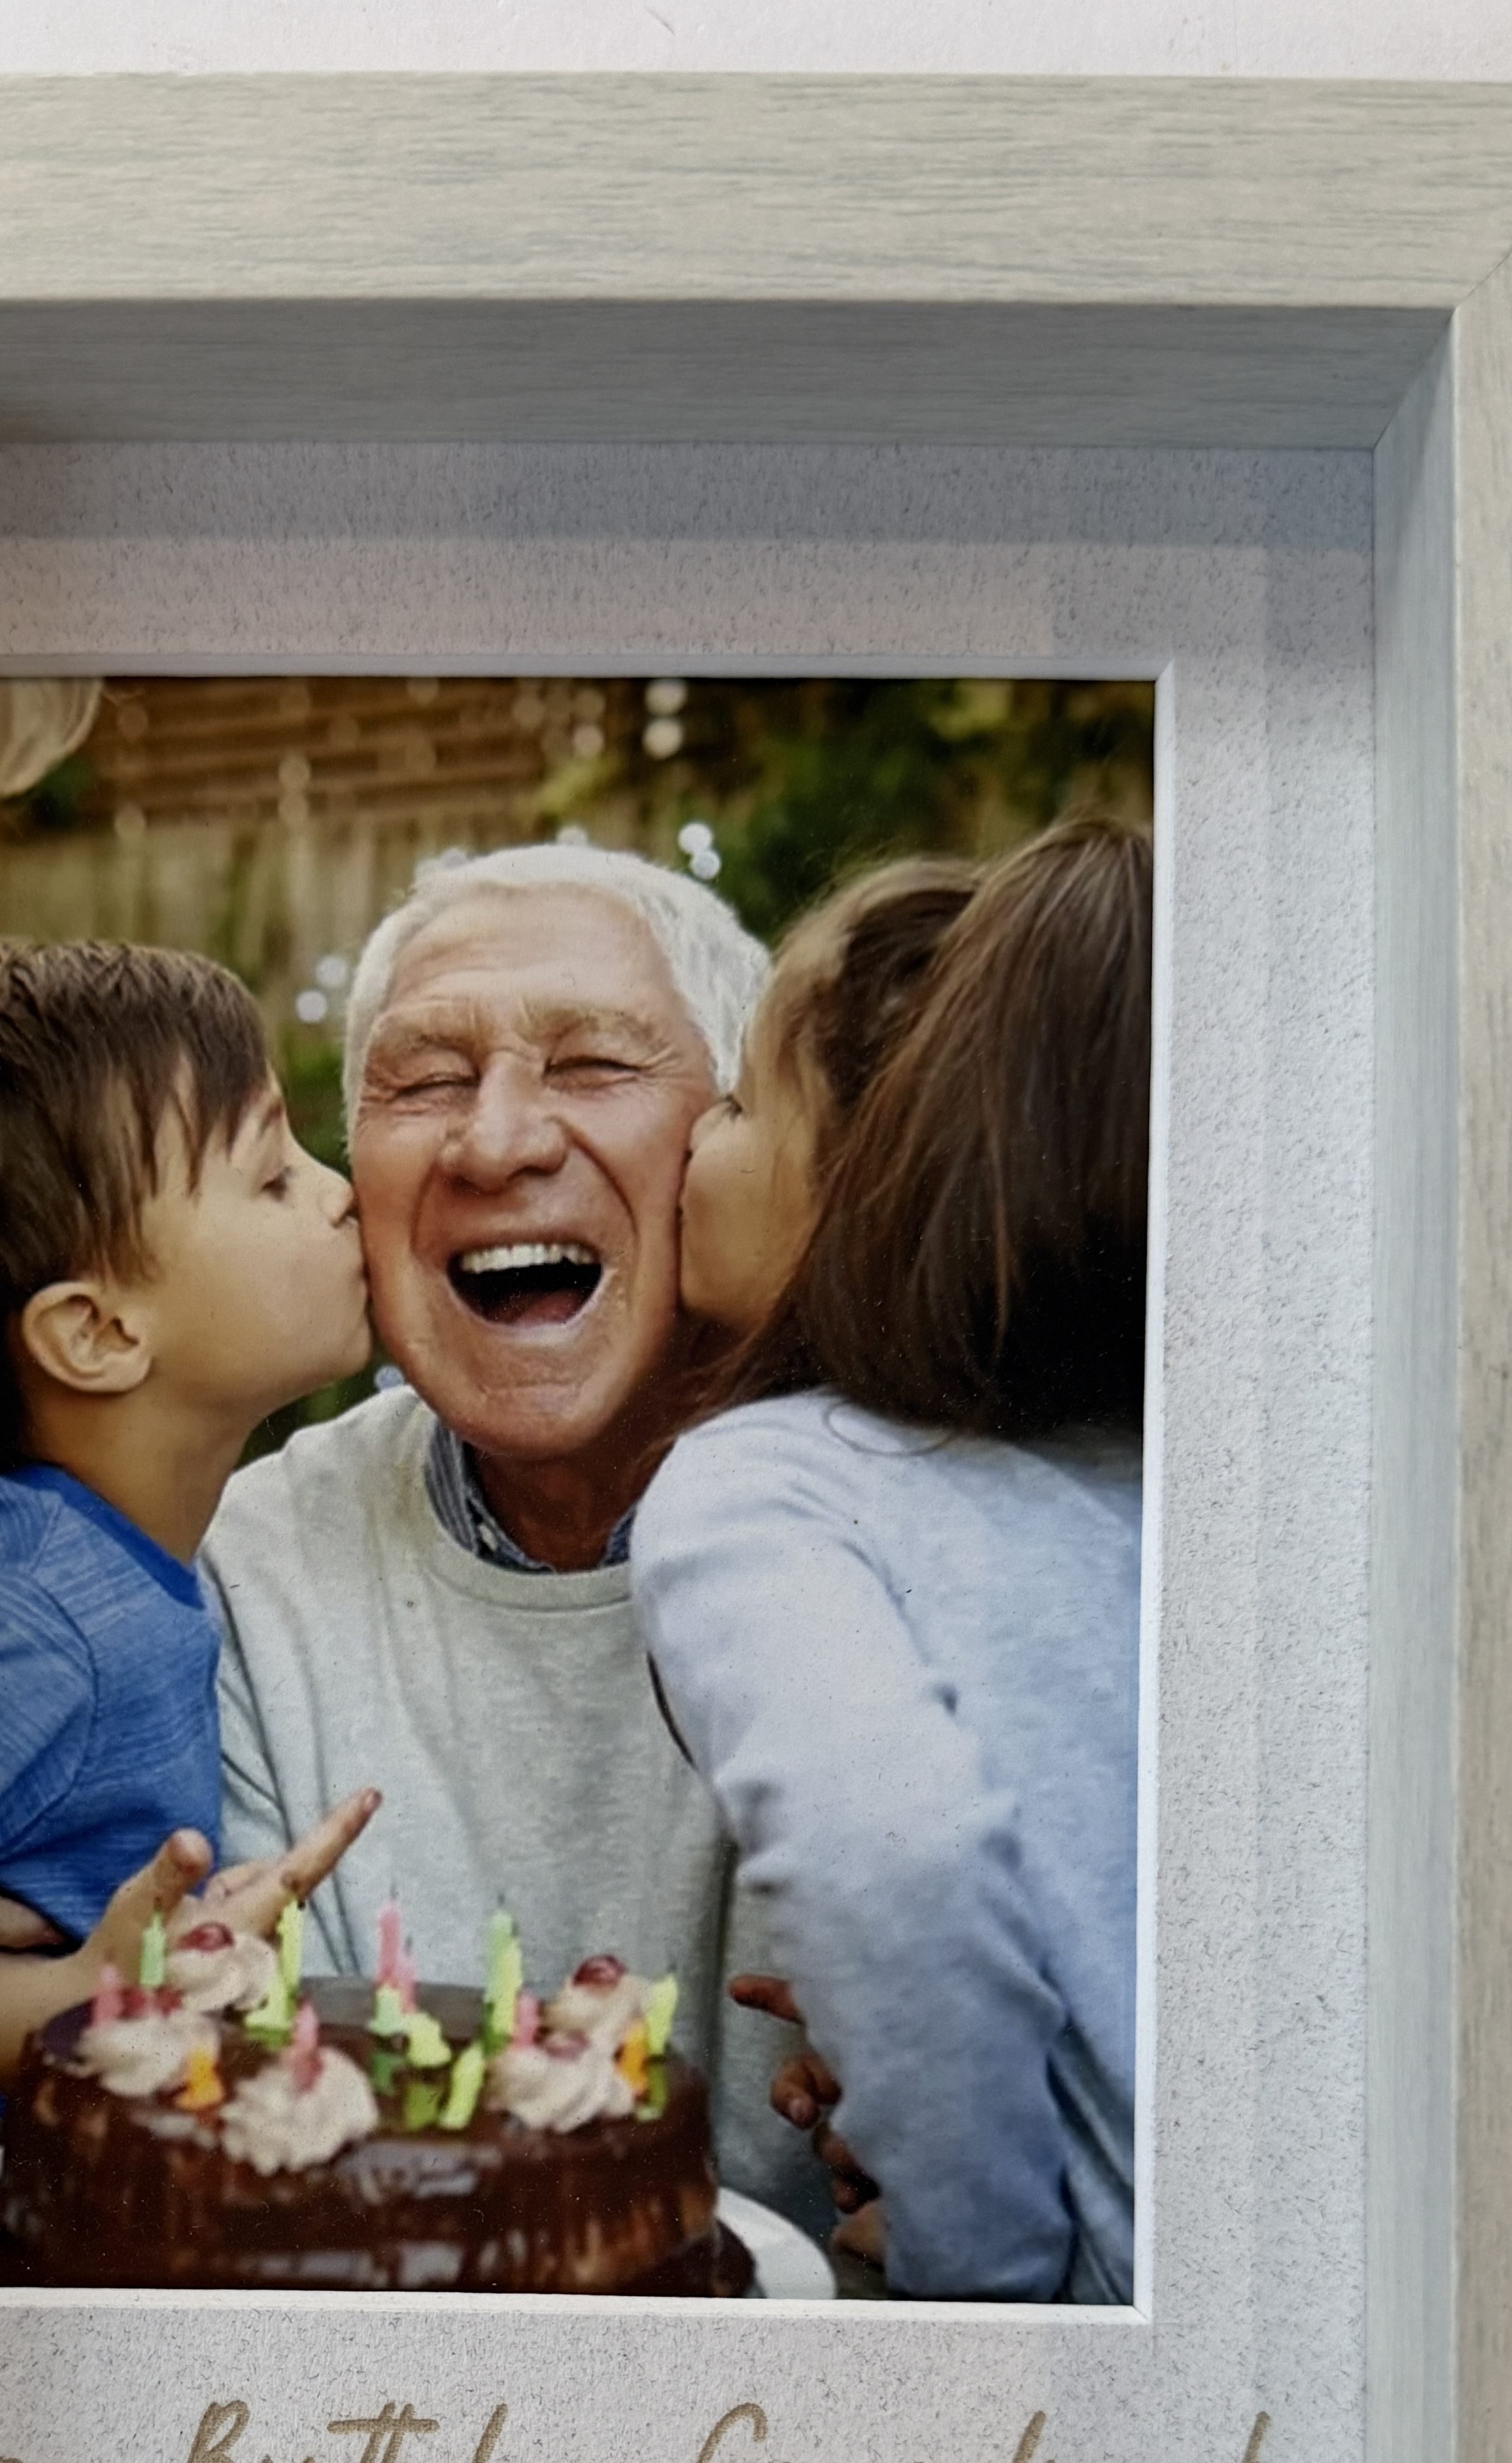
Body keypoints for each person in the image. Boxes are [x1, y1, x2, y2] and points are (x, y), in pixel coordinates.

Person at [197, 843, 830, 2231]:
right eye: (423, 1082)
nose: (497, 1142)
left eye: (596, 1065)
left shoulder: (907, 1536)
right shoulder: (251, 1561)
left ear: (736, 1140)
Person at [627, 819, 1151, 2302]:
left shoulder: (759, 1486)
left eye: (734, 1103)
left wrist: (967, 2279)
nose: (690, 1144)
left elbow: (898, 1856)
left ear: (865, 1172)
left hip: (1086, 2334)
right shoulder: (1147, 1470)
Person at [0, 938, 378, 2107]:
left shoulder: (100, 1565)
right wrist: (84, 1998)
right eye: (272, 1177)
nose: (339, 1189)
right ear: (98, 1335)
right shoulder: (24, 1615)